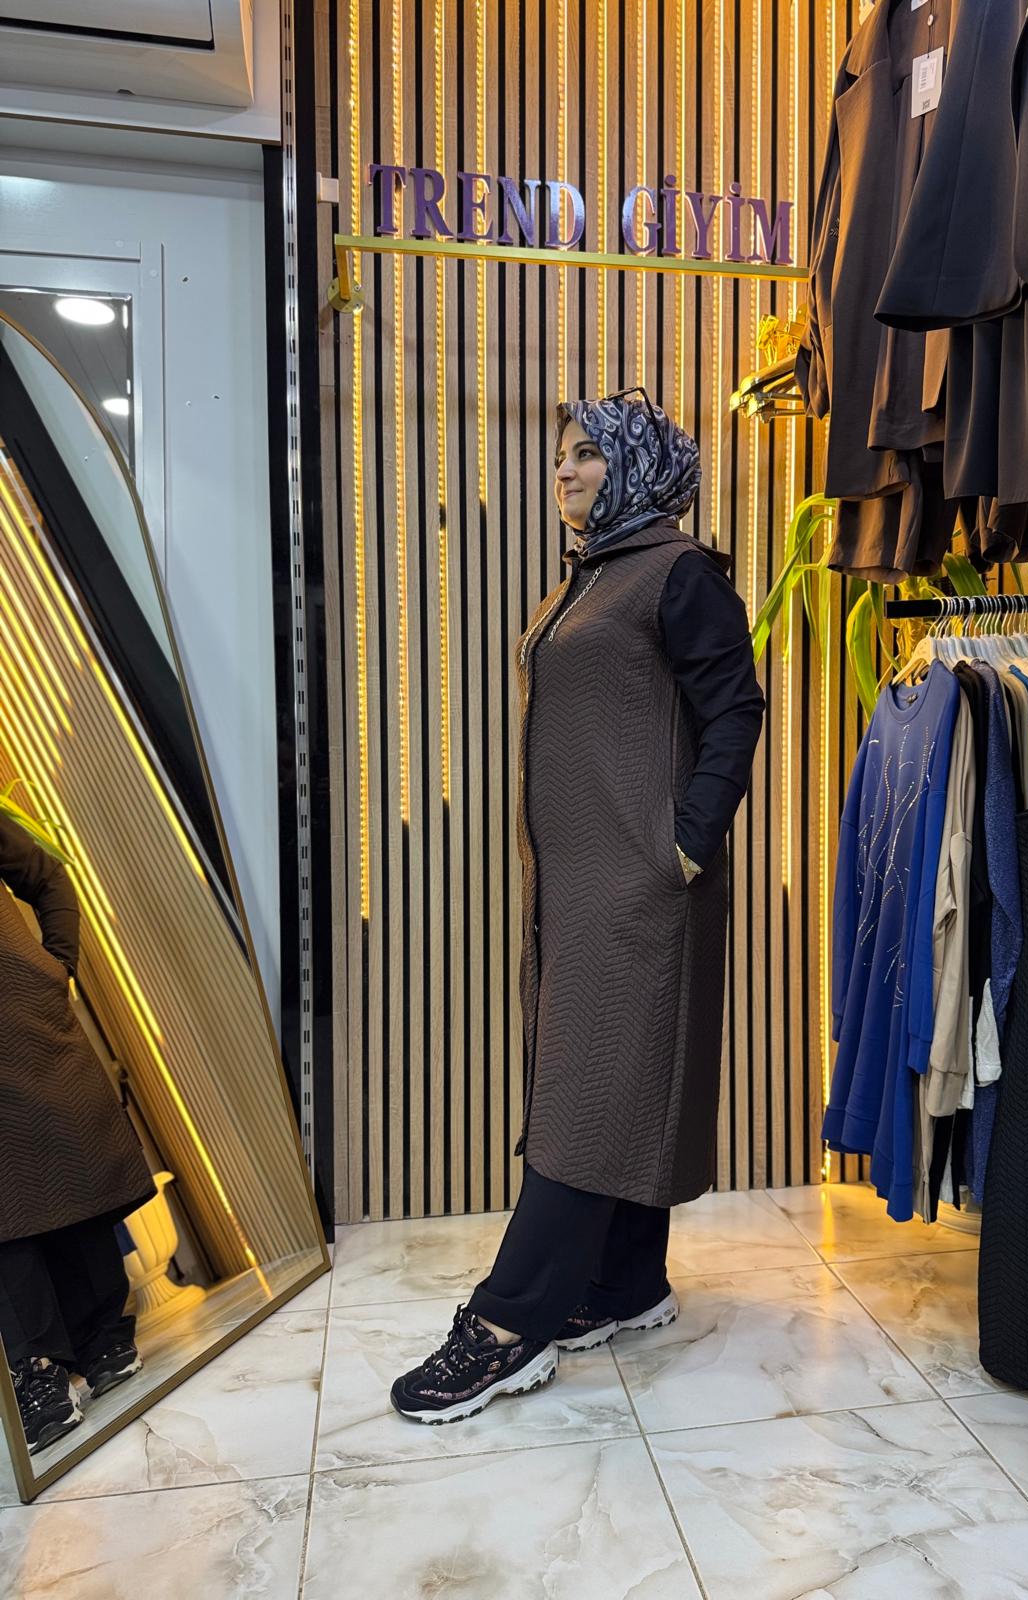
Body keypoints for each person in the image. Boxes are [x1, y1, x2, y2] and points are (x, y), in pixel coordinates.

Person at [391, 388, 765, 1424]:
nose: (564, 468)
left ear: (637, 465)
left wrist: (683, 846)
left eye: (588, 453)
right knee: (611, 1078)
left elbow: (736, 709)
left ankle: (511, 1324)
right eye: (562, 454)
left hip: (639, 888)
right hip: (577, 885)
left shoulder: (679, 573)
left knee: (583, 1095)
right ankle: (627, 1282)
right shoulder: (590, 577)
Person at [0, 811, 153, 1454]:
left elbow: (49, 877)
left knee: (68, 1168)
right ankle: (38, 1370)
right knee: (8, 1207)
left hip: (22, 1022)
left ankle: (102, 1338)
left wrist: (55, 965)